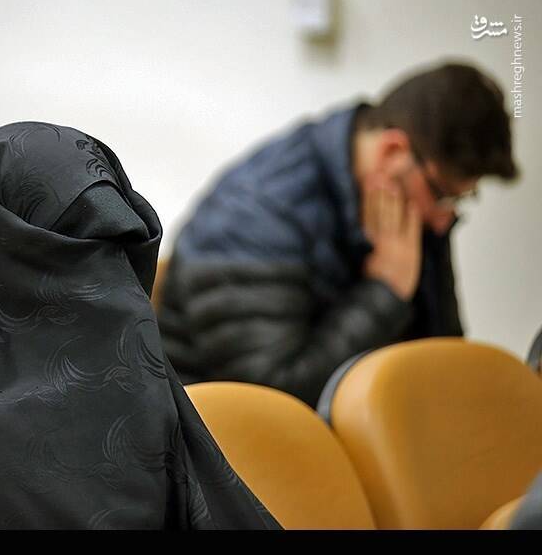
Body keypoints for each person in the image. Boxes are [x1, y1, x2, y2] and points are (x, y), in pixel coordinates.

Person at [0, 122, 281, 530]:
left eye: (117, 251)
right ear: (8, 257)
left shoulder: (132, 375)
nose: (110, 280)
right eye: (75, 250)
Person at [158, 62, 518, 407]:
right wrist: (387, 289)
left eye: (462, 199)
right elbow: (274, 399)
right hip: (216, 436)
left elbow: (442, 359)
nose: (444, 221)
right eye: (444, 195)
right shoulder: (253, 217)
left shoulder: (409, 207)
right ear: (393, 151)